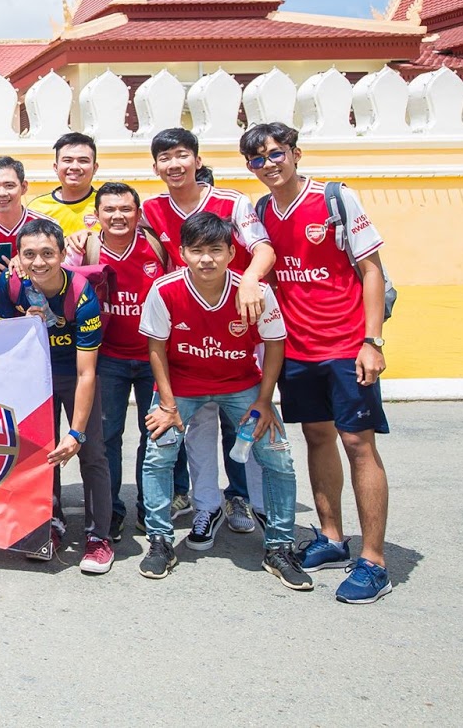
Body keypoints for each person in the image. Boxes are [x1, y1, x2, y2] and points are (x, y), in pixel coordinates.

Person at [242, 121, 394, 604]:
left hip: (347, 346)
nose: (268, 164)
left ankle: (374, 561)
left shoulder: (334, 199)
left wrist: (372, 341)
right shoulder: (262, 212)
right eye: (257, 159)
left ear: (295, 153)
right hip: (298, 350)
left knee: (358, 444)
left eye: (276, 153)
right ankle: (331, 537)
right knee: (317, 436)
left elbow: (372, 271)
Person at [137, 212, 311, 592]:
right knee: (159, 452)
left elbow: (275, 344)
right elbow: (156, 348)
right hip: (182, 388)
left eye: (216, 250)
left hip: (242, 386)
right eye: (196, 250)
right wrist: (167, 405)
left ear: (232, 253)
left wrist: (264, 401)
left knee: (278, 456)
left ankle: (279, 547)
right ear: (182, 252)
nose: (206, 259)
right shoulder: (164, 290)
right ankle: (160, 542)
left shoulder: (254, 292)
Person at [141, 127, 275, 546]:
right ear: (155, 166)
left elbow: (264, 249)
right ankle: (206, 505)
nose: (175, 164)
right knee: (197, 427)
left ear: (197, 161)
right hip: (188, 328)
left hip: (237, 320)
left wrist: (250, 279)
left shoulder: (232, 202)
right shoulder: (152, 208)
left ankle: (245, 499)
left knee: (245, 422)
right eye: (165, 158)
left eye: (182, 155)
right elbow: (136, 246)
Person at [0, 218, 110, 572]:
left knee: (91, 453)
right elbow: (1, 343)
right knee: (41, 454)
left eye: (47, 254)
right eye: (29, 255)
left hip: (74, 374)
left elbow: (87, 373)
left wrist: (76, 433)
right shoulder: (10, 284)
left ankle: (98, 537)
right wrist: (23, 324)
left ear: (62, 254)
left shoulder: (81, 294)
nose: (38, 262)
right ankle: (49, 524)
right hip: (33, 378)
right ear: (19, 257)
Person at [73, 182, 187, 542]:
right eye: (109, 210)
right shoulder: (85, 249)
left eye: (125, 209)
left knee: (156, 437)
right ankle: (112, 511)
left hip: (155, 358)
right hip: (108, 358)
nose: (118, 216)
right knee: (107, 437)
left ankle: (151, 509)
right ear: (97, 215)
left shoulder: (157, 246)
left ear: (138, 214)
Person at [28, 133, 101, 239]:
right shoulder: (37, 209)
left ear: (95, 168)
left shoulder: (107, 206)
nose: (75, 167)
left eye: (83, 161)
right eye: (67, 160)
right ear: (55, 167)